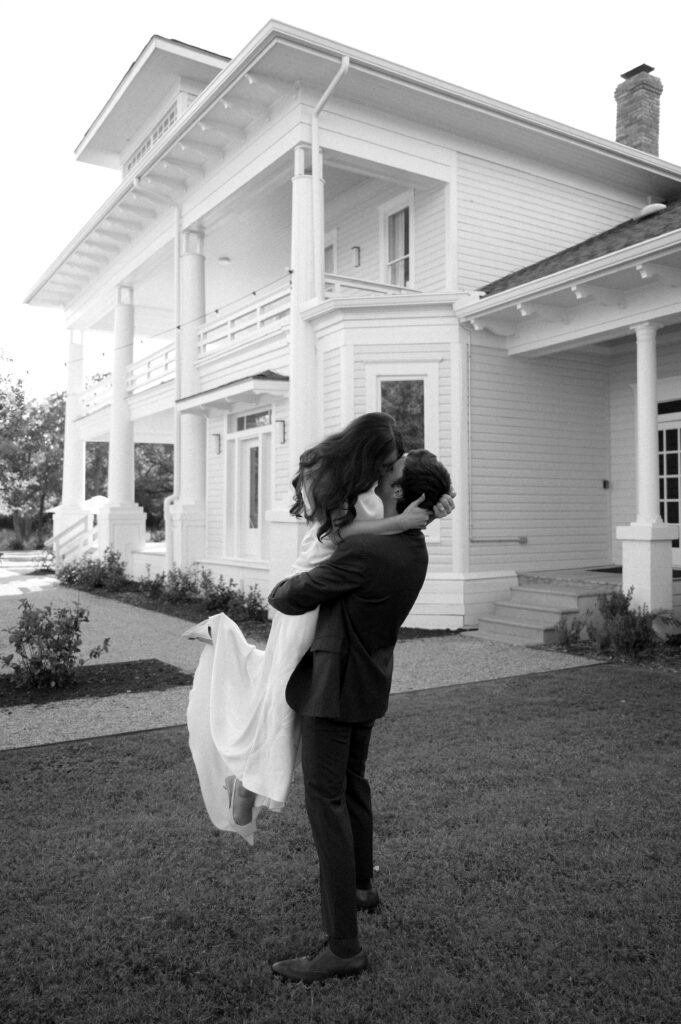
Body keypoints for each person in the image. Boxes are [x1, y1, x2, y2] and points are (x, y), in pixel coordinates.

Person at [186, 415, 453, 844]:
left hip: (329, 597)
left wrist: (437, 503)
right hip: (306, 599)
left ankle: (246, 784)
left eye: (393, 465)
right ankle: (246, 779)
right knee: (282, 701)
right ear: (365, 456)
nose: (391, 473)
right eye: (385, 464)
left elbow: (405, 500)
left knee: (282, 696)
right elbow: (347, 537)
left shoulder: (371, 486)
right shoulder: (333, 484)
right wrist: (401, 523)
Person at [268, 449, 453, 983]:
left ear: (403, 495)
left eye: (390, 474)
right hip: (369, 680)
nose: (381, 475)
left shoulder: (366, 552)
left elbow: (287, 597)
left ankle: (343, 947)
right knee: (351, 786)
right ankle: (361, 888)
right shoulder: (413, 546)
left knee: (325, 803)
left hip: (331, 689)